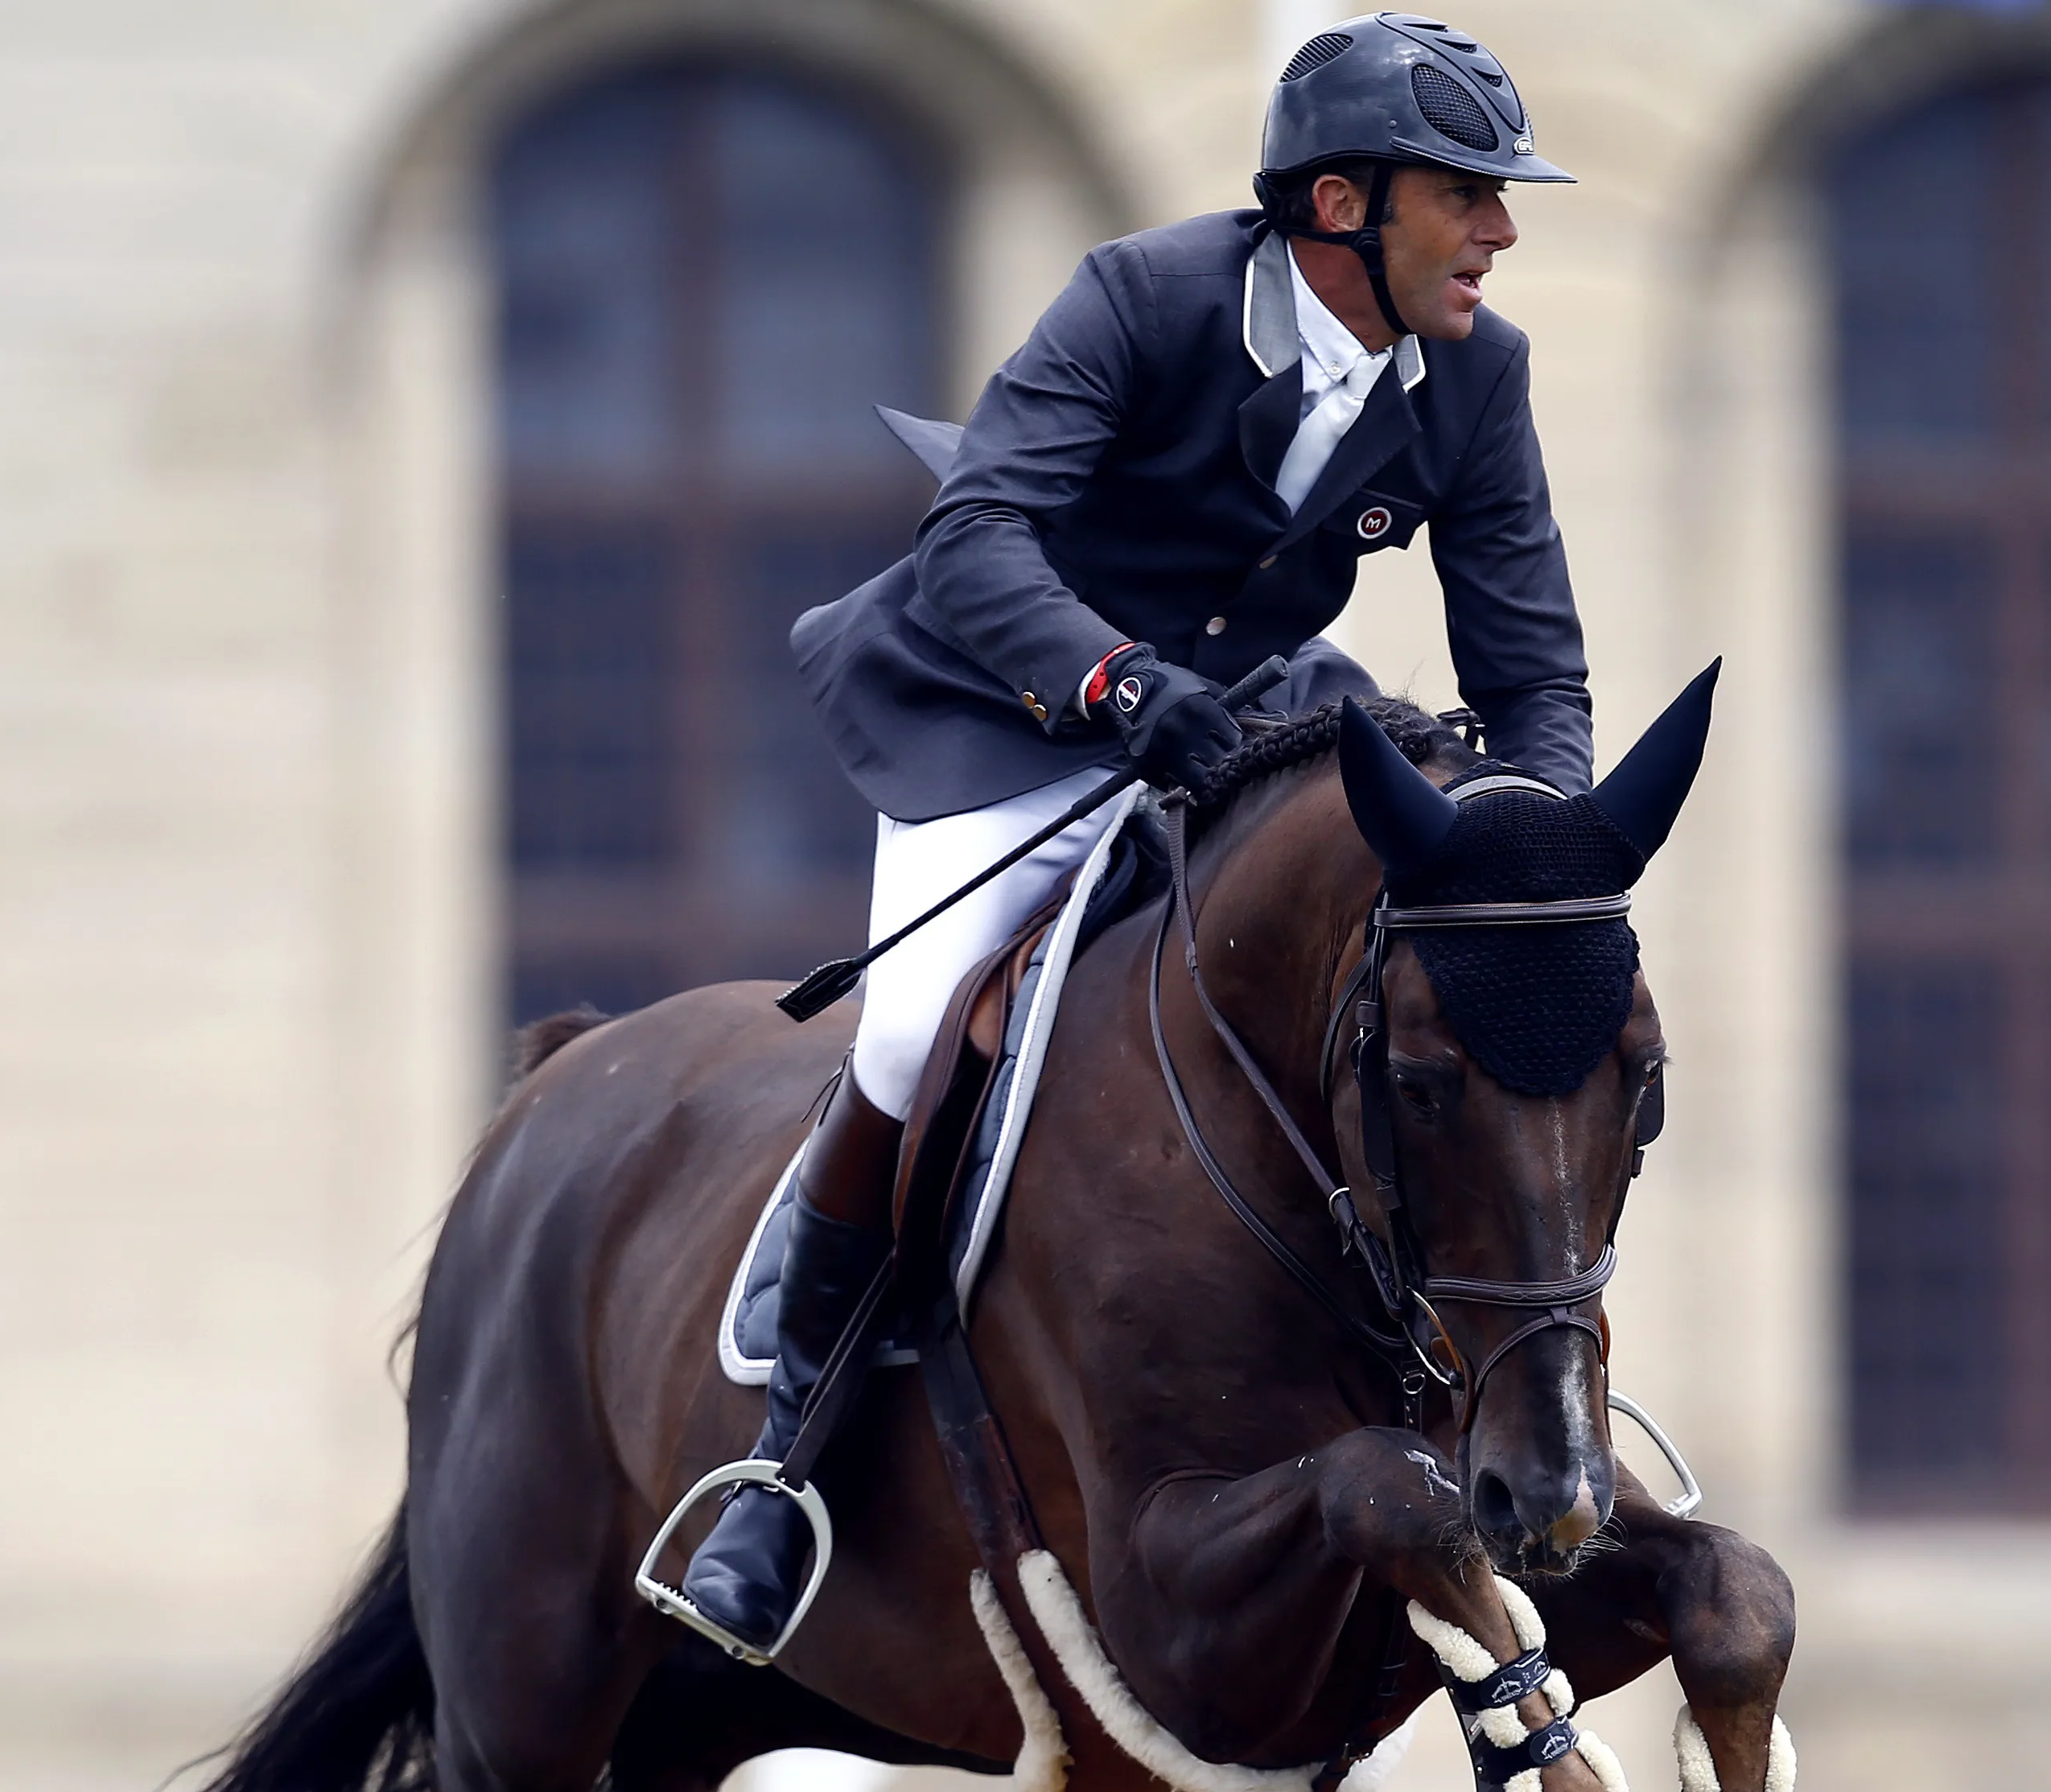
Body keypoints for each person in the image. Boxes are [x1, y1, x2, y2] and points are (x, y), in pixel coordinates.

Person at [667, 11, 1592, 1657]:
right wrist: (1106, 681)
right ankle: (780, 1463)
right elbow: (976, 538)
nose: (1502, 231)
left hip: (1244, 713)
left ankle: (1515, 1392)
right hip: (1010, 705)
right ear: (1338, 207)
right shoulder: (1142, 296)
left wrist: (1542, 851)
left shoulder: (1479, 370)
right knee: (910, 1028)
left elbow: (1528, 652)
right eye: (1467, 194)